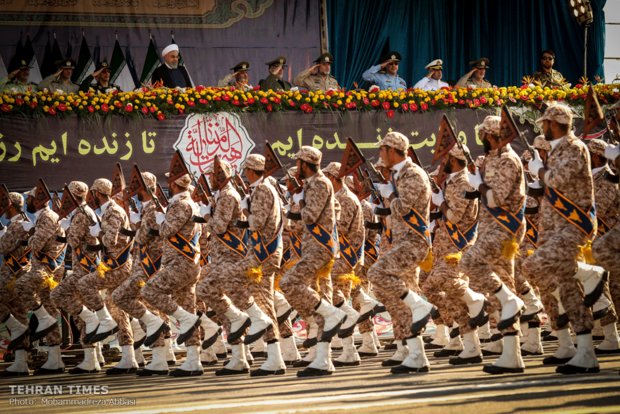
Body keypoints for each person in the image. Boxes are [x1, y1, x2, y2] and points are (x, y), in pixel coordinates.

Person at [524, 103, 605, 374]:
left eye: (545, 123)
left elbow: (556, 180)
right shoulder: (559, 149)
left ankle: (590, 272)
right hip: (556, 229)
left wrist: (538, 170)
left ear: (555, 123)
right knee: (568, 290)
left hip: (573, 226)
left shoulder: (573, 147)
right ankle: (582, 351)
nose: (543, 127)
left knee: (532, 266)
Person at [461, 115, 528, 374]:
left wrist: (480, 186)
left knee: (470, 261)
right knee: (502, 289)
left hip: (504, 228)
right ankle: (512, 356)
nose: (481, 140)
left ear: (490, 135)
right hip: (491, 228)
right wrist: (476, 182)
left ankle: (511, 300)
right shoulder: (493, 159)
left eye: (483, 136)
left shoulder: (508, 160)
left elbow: (496, 198)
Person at [368, 131, 436, 374]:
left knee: (376, 273)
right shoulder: (401, 174)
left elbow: (404, 208)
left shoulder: (412, 174)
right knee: (400, 302)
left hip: (414, 242)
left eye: (382, 150)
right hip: (402, 241)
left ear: (393, 150)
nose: (380, 155)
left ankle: (421, 306)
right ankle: (415, 355)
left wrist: (390, 198)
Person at [280, 146, 347, 377]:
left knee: (289, 283)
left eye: (298, 163)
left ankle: (334, 314)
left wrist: (298, 201)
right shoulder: (311, 184)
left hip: (319, 249)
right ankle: (323, 360)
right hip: (314, 248)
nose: (296, 167)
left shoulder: (318, 184)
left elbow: (309, 216)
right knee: (321, 308)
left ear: (305, 164)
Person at [421, 145, 488, 366]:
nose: (443, 162)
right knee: (451, 296)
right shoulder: (452, 182)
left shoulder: (464, 183)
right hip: (444, 247)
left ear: (455, 159)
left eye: (447, 158)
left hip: (457, 248)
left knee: (432, 287)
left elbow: (455, 218)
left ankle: (476, 300)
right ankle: (469, 345)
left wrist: (442, 204)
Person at [139, 172, 204, 377]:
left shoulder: (180, 205)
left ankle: (185, 321)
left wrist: (160, 219)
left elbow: (166, 231)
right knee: (187, 307)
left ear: (173, 185)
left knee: (149, 290)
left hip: (179, 264)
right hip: (188, 263)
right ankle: (194, 361)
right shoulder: (189, 203)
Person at [76, 178, 136, 375]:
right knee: (116, 308)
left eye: (92, 194)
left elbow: (110, 241)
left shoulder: (112, 212)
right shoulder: (109, 210)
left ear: (96, 193)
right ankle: (129, 358)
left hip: (117, 267)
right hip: (115, 265)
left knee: (84, 284)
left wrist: (98, 232)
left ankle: (103, 321)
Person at [50, 181, 102, 374]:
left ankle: (92, 321)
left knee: (58, 295)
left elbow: (72, 241)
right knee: (80, 316)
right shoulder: (85, 211)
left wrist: (64, 226)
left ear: (71, 196)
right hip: (86, 268)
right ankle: (92, 359)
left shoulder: (80, 215)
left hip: (83, 270)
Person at [14, 185, 67, 375]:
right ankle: (55, 359)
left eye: (29, 199)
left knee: (21, 286)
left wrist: (30, 234)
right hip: (46, 268)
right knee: (51, 310)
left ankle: (42, 318)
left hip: (46, 268)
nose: (27, 201)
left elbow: (36, 245)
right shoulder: (44, 217)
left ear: (37, 200)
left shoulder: (46, 216)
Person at [322, 162, 363, 367]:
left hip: (345, 257)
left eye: (327, 176)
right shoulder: (339, 197)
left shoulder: (344, 199)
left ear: (333, 178)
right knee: (337, 299)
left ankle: (350, 349)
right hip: (342, 256)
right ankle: (350, 351)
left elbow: (341, 228)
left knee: (333, 296)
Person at [585, 139, 619, 354]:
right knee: (603, 287)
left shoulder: (606, 178)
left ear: (597, 156)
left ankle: (612, 337)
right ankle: (606, 333)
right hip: (598, 240)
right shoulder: (592, 177)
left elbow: (599, 209)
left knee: (610, 289)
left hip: (608, 239)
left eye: (588, 155)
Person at [0, 192, 32, 376]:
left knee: (17, 319)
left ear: (10, 205)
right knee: (20, 314)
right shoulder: (21, 223)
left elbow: (2, 247)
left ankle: (15, 328)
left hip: (12, 276)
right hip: (18, 275)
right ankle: (21, 363)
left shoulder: (16, 225)